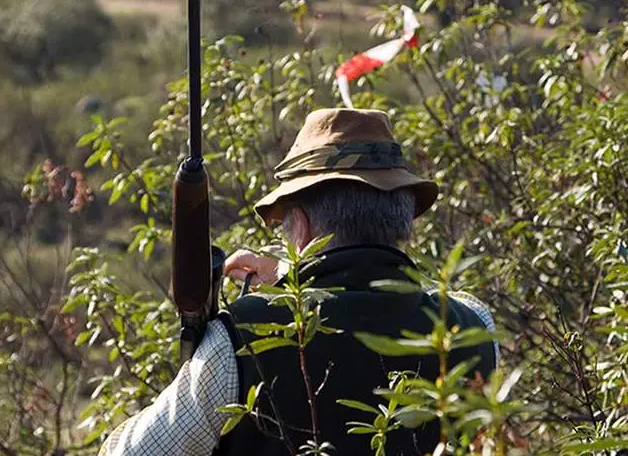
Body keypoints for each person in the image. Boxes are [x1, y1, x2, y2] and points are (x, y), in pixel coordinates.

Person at [99, 108, 497, 455]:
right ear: (406, 220)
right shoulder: (474, 328)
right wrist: (296, 279)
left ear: (302, 227)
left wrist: (292, 289)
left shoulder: (242, 340)